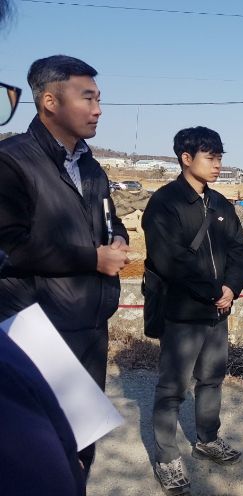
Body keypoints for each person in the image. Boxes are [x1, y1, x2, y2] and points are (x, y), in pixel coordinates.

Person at [0, 54, 129, 479]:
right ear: (50, 102)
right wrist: (94, 258)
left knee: (82, 444)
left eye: (99, 98)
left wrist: (119, 239)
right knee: (41, 453)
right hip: (38, 329)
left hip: (91, 322)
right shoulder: (11, 161)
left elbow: (111, 221)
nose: (98, 109)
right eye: (87, 98)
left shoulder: (91, 166)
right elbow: (10, 246)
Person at [142, 126, 243, 495]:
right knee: (172, 387)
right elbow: (169, 259)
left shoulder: (220, 204)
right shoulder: (165, 203)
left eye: (219, 157)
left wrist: (231, 287)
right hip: (182, 313)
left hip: (218, 311)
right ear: (186, 158)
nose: (217, 164)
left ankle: (207, 438)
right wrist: (212, 291)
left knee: (212, 379)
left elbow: (240, 250)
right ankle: (167, 457)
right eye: (210, 157)